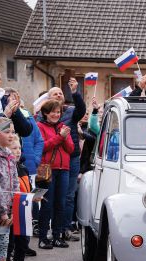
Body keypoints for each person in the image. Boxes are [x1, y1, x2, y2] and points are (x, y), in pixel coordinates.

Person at [46, 78, 87, 243]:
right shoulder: (44, 116)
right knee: (53, 196)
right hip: (52, 160)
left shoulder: (71, 111)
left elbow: (82, 109)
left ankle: (65, 229)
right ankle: (53, 230)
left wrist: (75, 93)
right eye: (54, 93)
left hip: (72, 158)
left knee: (69, 196)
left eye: (60, 93)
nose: (58, 95)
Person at [36, 100, 74, 249]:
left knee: (60, 204)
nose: (56, 115)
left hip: (63, 169)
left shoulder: (63, 127)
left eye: (58, 112)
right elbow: (43, 146)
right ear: (46, 113)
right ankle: (43, 238)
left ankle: (57, 236)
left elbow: (70, 149)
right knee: (47, 204)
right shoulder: (39, 126)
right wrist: (60, 136)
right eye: (53, 112)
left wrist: (63, 135)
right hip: (47, 169)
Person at [6, 135, 39, 261]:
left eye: (19, 148)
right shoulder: (8, 168)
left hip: (24, 210)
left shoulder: (23, 167)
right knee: (10, 244)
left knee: (23, 243)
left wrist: (35, 195)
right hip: (13, 211)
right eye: (14, 148)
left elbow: (27, 189)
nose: (18, 151)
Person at [0, 118, 20, 261]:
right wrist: (3, 211)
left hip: (7, 209)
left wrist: (13, 208)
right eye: (7, 132)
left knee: (4, 244)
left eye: (13, 131)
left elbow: (15, 182)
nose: (12, 135)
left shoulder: (9, 155)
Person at [0, 68, 33, 138]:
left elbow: (26, 131)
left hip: (10, 148)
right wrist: (4, 115)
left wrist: (16, 112)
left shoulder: (6, 100)